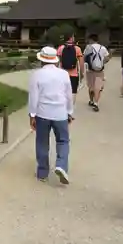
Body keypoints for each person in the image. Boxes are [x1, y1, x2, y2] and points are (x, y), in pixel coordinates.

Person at [29, 46, 74, 184]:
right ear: (55, 60)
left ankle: (42, 173)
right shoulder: (64, 74)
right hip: (60, 113)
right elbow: (68, 95)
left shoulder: (36, 74)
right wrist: (70, 112)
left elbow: (33, 97)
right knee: (63, 141)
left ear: (41, 60)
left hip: (43, 113)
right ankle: (61, 165)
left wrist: (32, 115)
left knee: (42, 142)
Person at [83, 34, 110, 112]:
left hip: (90, 70)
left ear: (91, 40)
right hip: (100, 70)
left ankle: (91, 101)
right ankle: (96, 103)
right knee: (97, 87)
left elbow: (84, 58)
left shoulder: (88, 47)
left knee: (91, 86)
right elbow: (107, 58)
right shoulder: (103, 48)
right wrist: (101, 63)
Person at [57, 34, 85, 104]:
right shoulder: (77, 49)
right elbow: (81, 62)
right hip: (74, 75)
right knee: (73, 92)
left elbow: (57, 61)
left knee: (62, 91)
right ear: (72, 39)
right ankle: (70, 108)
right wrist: (82, 73)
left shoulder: (61, 48)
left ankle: (62, 106)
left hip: (62, 74)